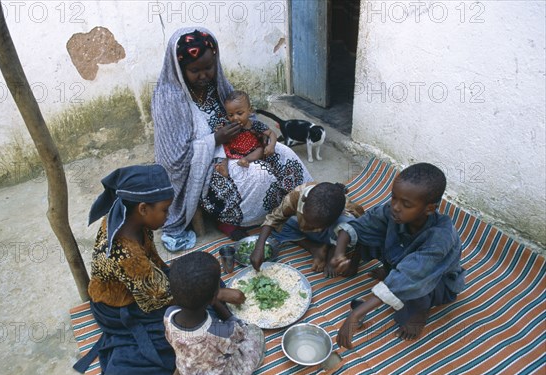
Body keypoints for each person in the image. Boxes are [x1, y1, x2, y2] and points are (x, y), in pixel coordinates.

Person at [72, 164, 245, 375]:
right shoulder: (127, 254)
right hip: (119, 308)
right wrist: (215, 296)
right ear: (143, 208)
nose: (168, 216)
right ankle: (126, 372)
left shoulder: (128, 216)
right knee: (196, 323)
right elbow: (153, 301)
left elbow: (154, 267)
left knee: (203, 280)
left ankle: (177, 361)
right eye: (165, 210)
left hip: (144, 285)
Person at [152, 27, 312, 250]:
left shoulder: (217, 85)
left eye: (209, 67)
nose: (204, 75)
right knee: (258, 175)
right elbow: (173, 160)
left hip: (241, 147)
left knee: (285, 154)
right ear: (179, 69)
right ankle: (233, 219)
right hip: (206, 167)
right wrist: (215, 139)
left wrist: (269, 137)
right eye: (194, 70)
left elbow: (246, 115)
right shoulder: (168, 99)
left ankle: (308, 203)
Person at [333, 163, 466, 348]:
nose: (395, 207)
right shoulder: (393, 212)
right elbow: (362, 224)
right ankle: (363, 267)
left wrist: (355, 315)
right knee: (370, 233)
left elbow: (412, 275)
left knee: (407, 304)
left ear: (429, 208)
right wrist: (339, 254)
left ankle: (421, 312)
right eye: (394, 197)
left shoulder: (440, 237)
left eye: (406, 204)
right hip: (402, 258)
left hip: (434, 280)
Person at [164, 251, 265, 375]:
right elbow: (239, 333)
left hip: (189, 366)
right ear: (214, 296)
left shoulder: (169, 314)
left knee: (189, 351)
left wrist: (213, 300)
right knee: (255, 333)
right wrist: (225, 312)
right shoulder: (219, 331)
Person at [250, 182, 364, 276]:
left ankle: (331, 248)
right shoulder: (297, 196)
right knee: (279, 224)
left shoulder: (347, 212)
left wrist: (351, 264)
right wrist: (259, 247)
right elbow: (273, 218)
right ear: (304, 204)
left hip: (331, 234)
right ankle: (315, 248)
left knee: (348, 230)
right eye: (307, 219)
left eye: (316, 226)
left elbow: (363, 235)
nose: (311, 228)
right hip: (304, 229)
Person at [215, 90, 277, 175]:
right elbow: (221, 133)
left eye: (239, 113)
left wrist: (271, 146)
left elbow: (271, 133)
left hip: (251, 150)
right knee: (223, 150)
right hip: (233, 151)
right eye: (230, 115)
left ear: (250, 111)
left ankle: (246, 160)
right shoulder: (229, 125)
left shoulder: (254, 125)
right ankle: (224, 168)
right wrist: (219, 130)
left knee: (260, 150)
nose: (235, 118)